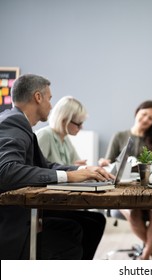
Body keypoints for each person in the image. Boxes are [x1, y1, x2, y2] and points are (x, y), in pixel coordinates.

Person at [0, 74, 114, 260]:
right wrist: (68, 177)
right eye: (50, 98)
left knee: (89, 223)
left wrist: (79, 171)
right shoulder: (14, 122)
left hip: (21, 213)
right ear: (38, 97)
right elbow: (6, 171)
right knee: (73, 237)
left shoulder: (17, 121)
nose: (51, 106)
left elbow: (44, 165)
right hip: (13, 225)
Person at [99, 100, 152, 260]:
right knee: (133, 211)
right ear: (137, 112)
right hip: (125, 189)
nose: (146, 119)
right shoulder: (119, 136)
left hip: (151, 188)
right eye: (144, 114)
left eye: (151, 118)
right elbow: (108, 162)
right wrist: (104, 163)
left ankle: (144, 256)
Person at [36, 96, 88, 166]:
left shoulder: (65, 139)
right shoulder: (45, 135)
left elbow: (76, 163)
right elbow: (36, 169)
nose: (81, 127)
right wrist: (72, 168)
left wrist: (77, 166)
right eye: (78, 123)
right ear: (64, 120)